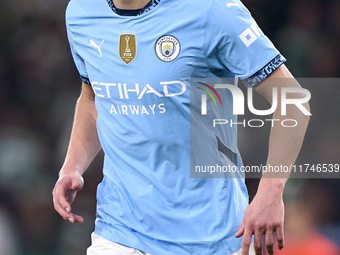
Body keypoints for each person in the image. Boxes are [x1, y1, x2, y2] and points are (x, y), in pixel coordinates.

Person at [52, 0, 310, 254]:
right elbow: (93, 98)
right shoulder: (81, 12)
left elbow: (293, 100)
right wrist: (72, 167)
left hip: (213, 237)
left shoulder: (212, 10)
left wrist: (270, 192)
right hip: (121, 232)